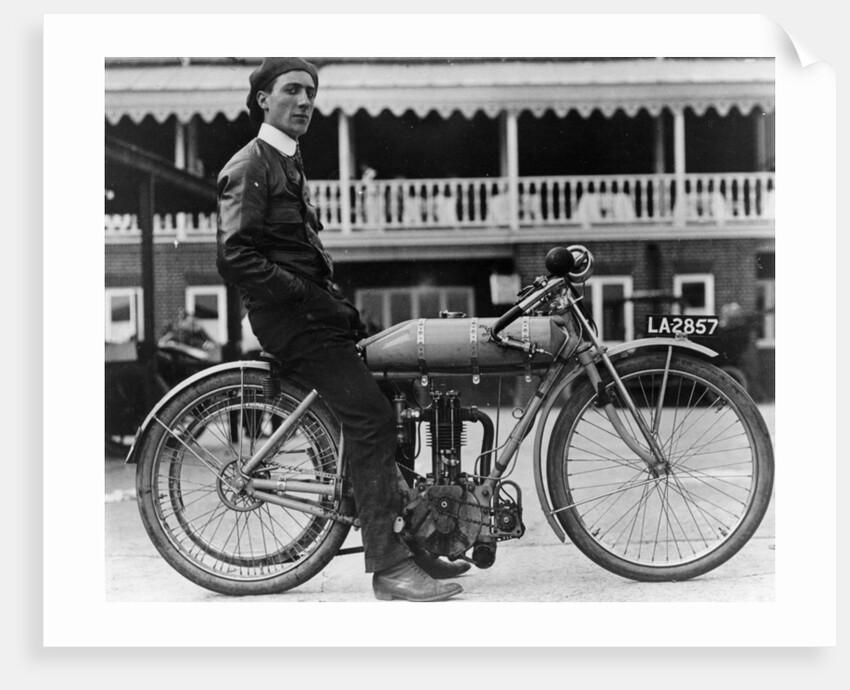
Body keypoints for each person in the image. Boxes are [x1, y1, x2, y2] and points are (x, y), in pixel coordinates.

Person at [216, 57, 468, 602]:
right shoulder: (251, 164)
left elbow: (300, 254)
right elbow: (235, 257)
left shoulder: (287, 161)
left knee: (390, 400)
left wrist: (333, 304)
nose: (305, 101)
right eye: (292, 90)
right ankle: (389, 566)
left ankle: (412, 538)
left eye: (311, 91)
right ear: (263, 98)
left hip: (313, 317)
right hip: (292, 323)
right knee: (371, 418)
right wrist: (308, 296)